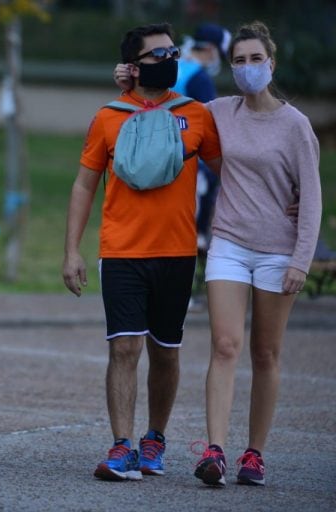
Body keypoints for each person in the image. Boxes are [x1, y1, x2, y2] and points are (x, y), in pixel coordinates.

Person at [62, 22, 222, 481]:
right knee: (124, 349)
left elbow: (229, 173)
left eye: (174, 52)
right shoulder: (109, 115)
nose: (170, 59)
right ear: (133, 66)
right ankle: (122, 446)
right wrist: (71, 250)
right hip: (121, 252)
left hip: (177, 252)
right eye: (159, 54)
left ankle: (155, 438)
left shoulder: (197, 114)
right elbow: (83, 184)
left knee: (166, 352)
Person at [190, 21, 322, 487]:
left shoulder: (296, 125)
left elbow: (312, 199)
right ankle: (215, 452)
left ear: (272, 64)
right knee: (225, 345)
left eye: (255, 60)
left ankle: (254, 454)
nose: (247, 68)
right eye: (239, 61)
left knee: (265, 353)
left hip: (278, 252)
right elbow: (171, 111)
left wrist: (300, 260)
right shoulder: (219, 111)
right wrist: (127, 79)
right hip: (228, 242)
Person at [175, 23, 232, 309]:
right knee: (192, 233)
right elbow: (211, 124)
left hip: (164, 159)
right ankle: (180, 294)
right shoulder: (199, 78)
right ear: (210, 50)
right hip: (192, 165)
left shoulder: (174, 67)